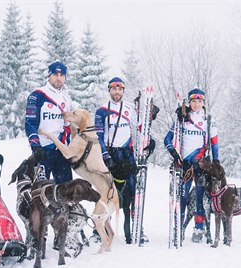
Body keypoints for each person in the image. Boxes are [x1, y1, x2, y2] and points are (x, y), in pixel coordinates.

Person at [94, 77, 155, 244]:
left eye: (120, 89)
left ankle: (137, 229)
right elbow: (98, 137)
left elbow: (141, 128)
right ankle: (98, 229)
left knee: (134, 192)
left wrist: (150, 132)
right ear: (109, 90)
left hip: (127, 156)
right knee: (106, 193)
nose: (117, 92)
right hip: (110, 155)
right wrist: (106, 157)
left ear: (123, 91)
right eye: (114, 89)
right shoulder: (101, 111)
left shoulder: (129, 108)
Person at [164, 88, 219, 243]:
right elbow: (167, 140)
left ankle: (199, 228)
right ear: (189, 102)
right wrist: (174, 155)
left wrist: (216, 162)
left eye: (199, 101)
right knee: (183, 197)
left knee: (201, 199)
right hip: (185, 165)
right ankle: (178, 228)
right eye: (193, 101)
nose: (196, 104)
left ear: (203, 102)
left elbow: (214, 143)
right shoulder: (181, 119)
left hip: (202, 166)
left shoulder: (209, 120)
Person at [24, 60, 73, 184]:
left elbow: (67, 127)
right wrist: (35, 146)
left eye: (62, 75)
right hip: (43, 151)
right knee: (40, 193)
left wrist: (71, 148)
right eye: (55, 75)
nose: (58, 78)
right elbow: (30, 123)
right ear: (49, 76)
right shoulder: (37, 95)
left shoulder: (67, 99)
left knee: (66, 194)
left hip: (61, 152)